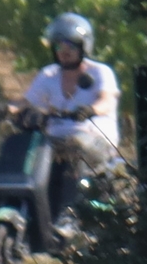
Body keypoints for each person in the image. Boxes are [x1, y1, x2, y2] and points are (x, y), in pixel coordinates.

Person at [20, 13, 120, 198]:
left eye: (71, 45)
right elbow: (26, 102)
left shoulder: (100, 73)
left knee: (76, 145)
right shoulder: (48, 75)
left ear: (83, 46)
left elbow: (106, 100)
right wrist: (5, 110)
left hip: (94, 140)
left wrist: (90, 110)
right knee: (28, 149)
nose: (64, 51)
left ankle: (72, 214)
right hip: (57, 141)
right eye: (59, 45)